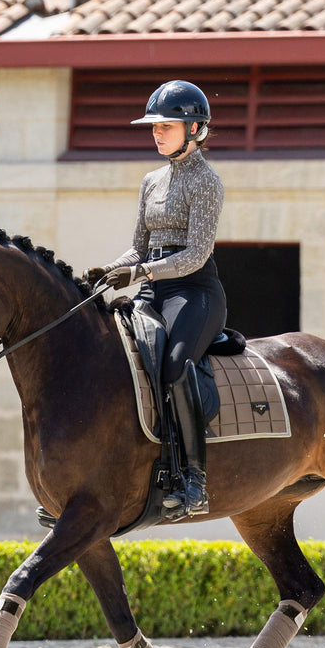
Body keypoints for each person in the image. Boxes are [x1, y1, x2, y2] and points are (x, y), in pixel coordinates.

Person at [85, 79, 227, 518]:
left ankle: (195, 482)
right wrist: (110, 271)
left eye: (167, 125)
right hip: (151, 288)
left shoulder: (206, 181)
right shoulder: (150, 181)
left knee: (175, 365)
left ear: (195, 128)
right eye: (154, 127)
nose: (157, 133)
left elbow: (196, 253)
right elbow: (138, 247)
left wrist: (141, 271)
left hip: (194, 291)